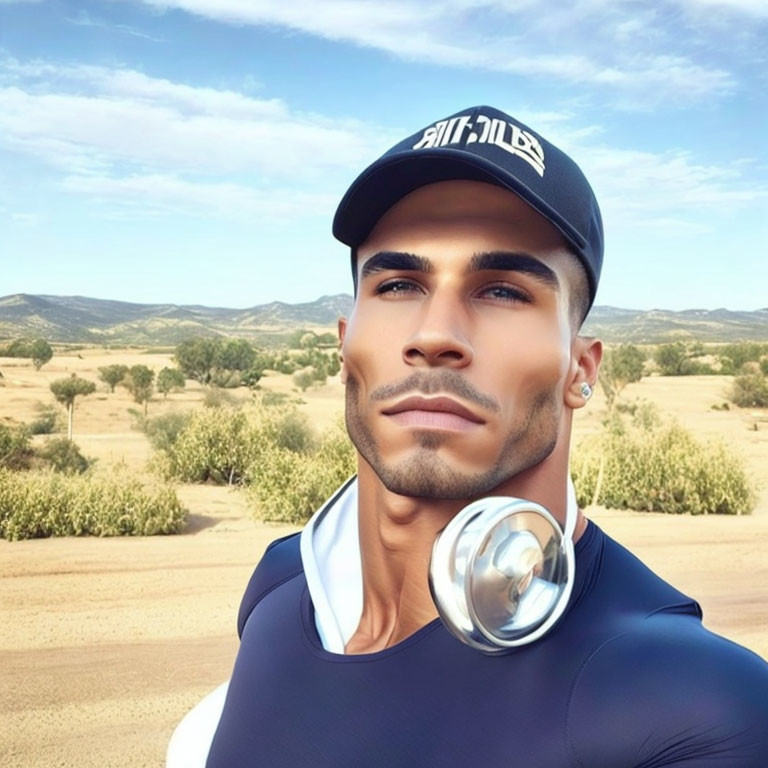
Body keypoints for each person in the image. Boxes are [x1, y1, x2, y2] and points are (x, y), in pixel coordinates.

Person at [167, 106, 768, 767]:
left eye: (503, 291)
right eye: (398, 283)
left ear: (580, 368)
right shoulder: (284, 582)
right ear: (346, 346)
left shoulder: (694, 705)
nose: (434, 335)